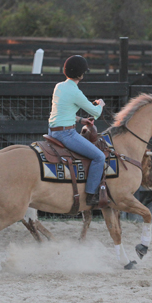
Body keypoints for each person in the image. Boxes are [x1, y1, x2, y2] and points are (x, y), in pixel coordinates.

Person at [48, 55, 106, 206]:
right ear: (81, 74)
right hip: (66, 134)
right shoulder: (76, 92)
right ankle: (91, 195)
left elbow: (62, 112)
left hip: (52, 132)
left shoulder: (59, 86)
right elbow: (96, 113)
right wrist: (100, 104)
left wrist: (81, 120)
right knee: (99, 157)